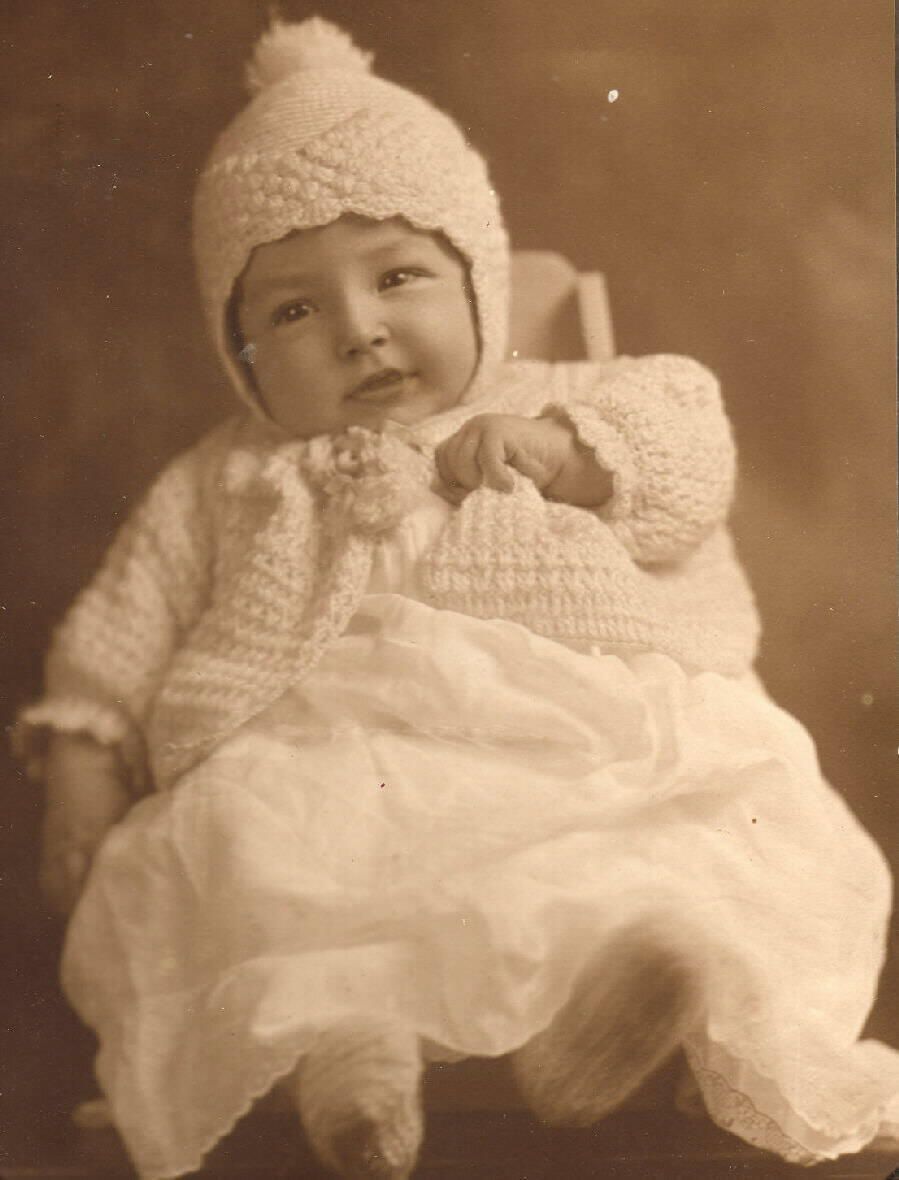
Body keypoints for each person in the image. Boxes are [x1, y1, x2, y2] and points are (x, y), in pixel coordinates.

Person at [15, 17, 898, 1180]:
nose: (358, 330)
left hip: (559, 735)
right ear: (241, 355)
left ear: (478, 276)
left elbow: (687, 449)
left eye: (397, 275)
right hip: (315, 750)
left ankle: (601, 1014)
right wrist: (84, 759)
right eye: (292, 311)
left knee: (650, 839)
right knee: (253, 851)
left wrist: (567, 451)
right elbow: (122, 625)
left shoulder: (563, 394)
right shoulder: (225, 477)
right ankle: (347, 1058)